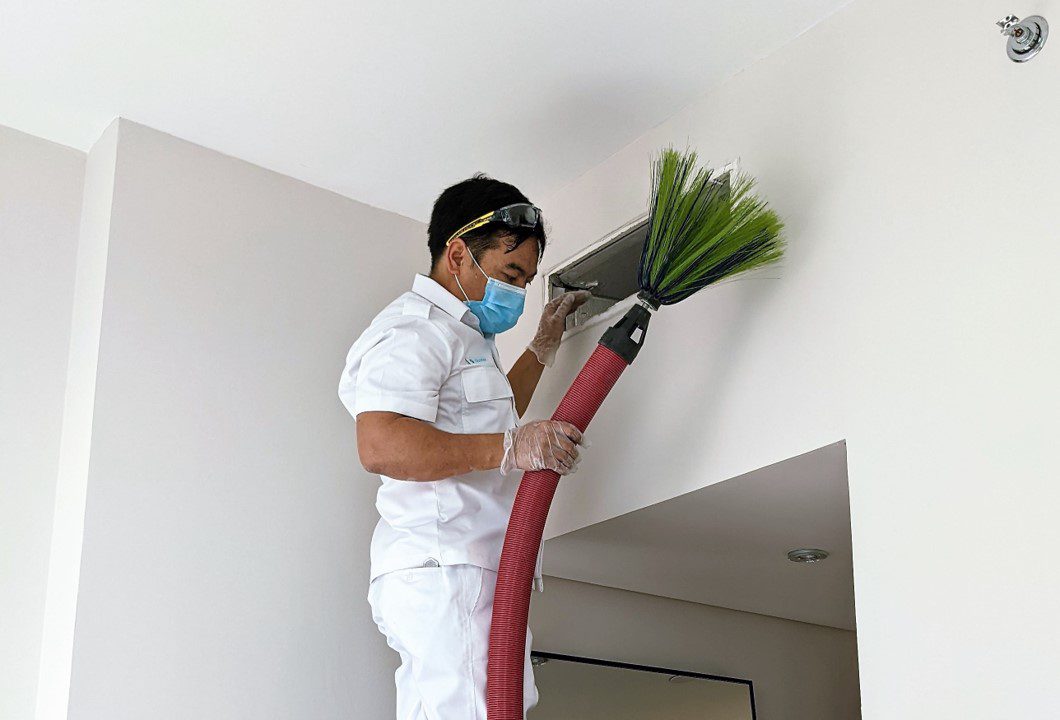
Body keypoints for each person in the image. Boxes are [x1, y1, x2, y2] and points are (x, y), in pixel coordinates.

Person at [338, 172, 591, 719]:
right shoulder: (414, 331)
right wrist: (512, 448)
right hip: (446, 565)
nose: (517, 293)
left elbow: (489, 415)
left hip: (458, 569)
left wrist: (542, 348)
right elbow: (381, 444)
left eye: (526, 280)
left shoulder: (466, 335)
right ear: (457, 254)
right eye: (511, 274)